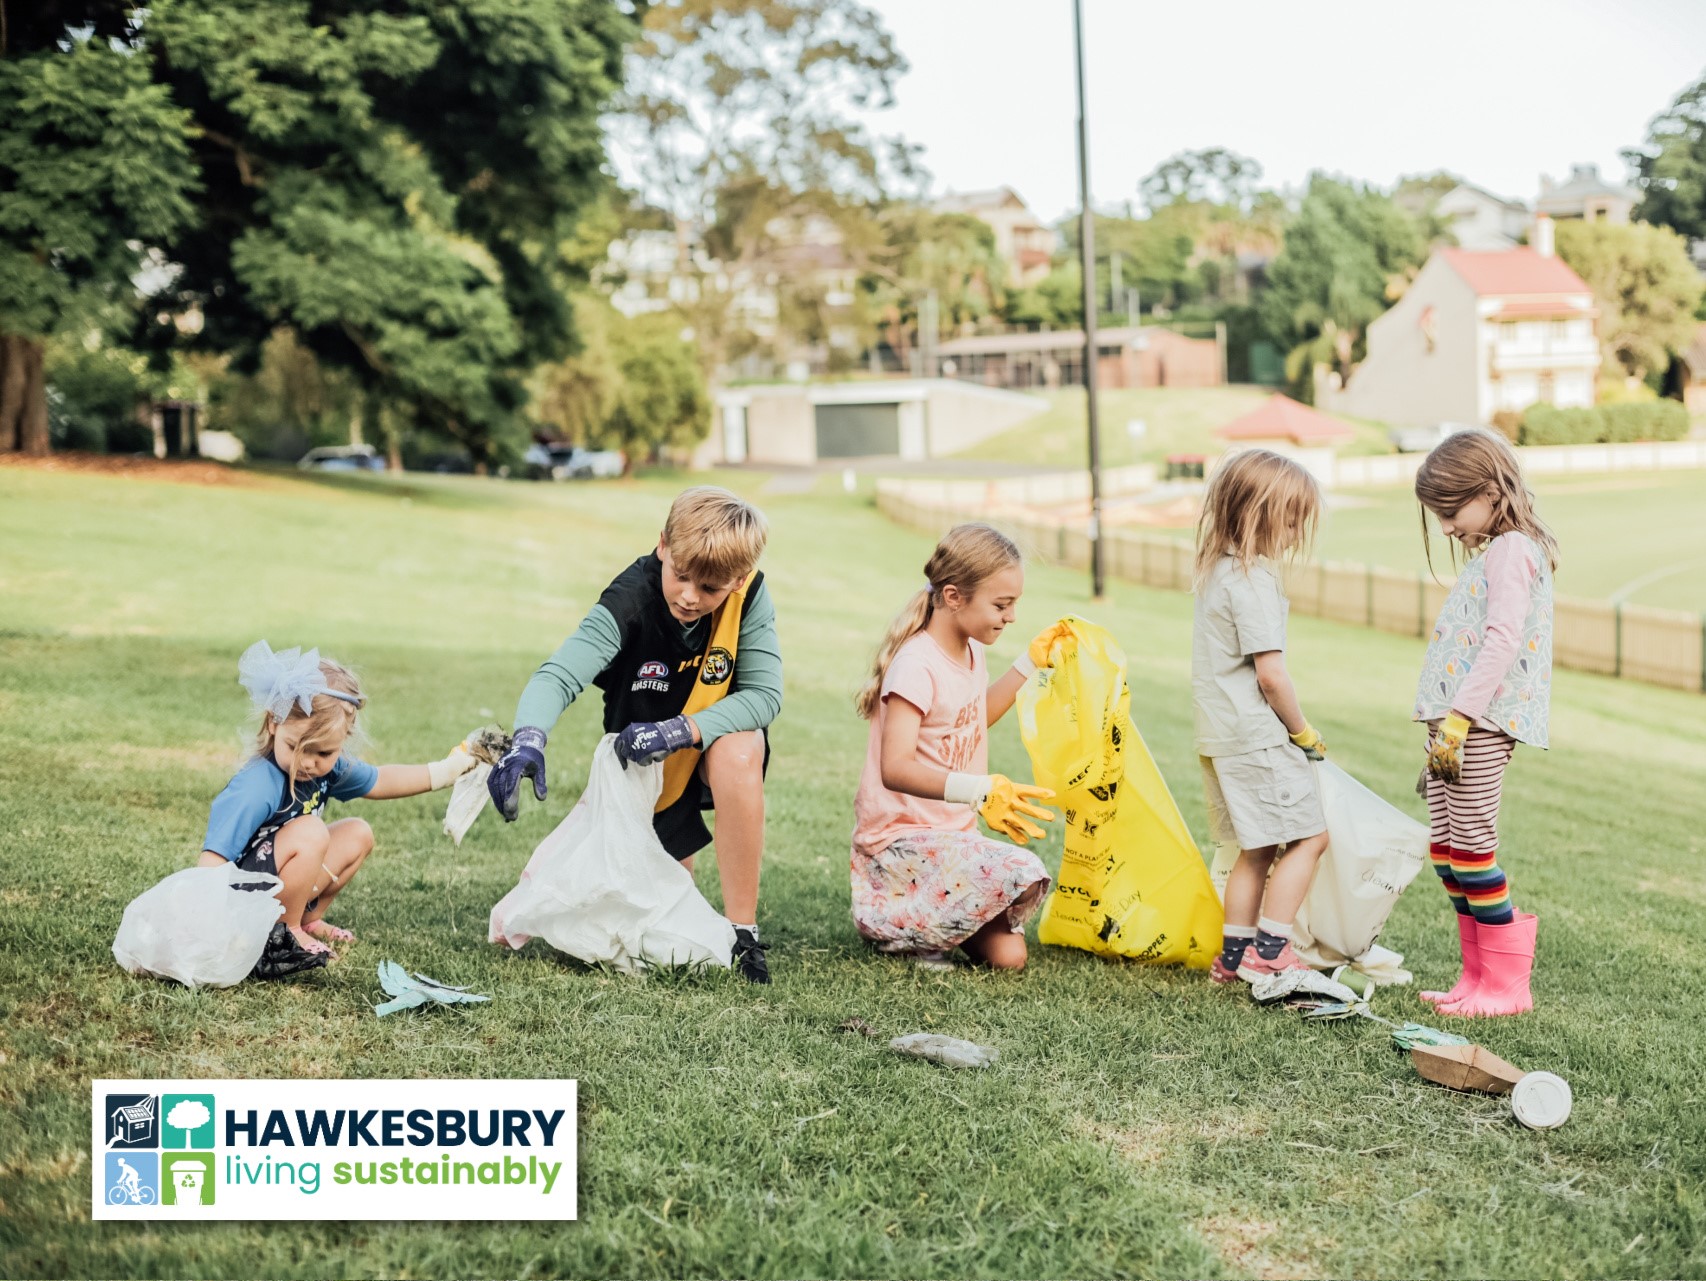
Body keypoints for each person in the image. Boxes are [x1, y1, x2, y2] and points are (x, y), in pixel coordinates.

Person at [488, 487, 783, 983]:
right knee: (655, 925)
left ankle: (743, 933)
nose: (690, 596)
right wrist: (529, 738)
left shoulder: (750, 595)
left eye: (709, 588)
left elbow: (765, 695)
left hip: (703, 744)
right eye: (682, 576)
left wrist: (682, 729)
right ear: (663, 546)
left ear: (737, 580)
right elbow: (558, 675)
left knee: (738, 749)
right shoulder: (630, 597)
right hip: (643, 767)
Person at [850, 523, 1061, 970]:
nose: (1011, 616)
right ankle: (901, 922)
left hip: (949, 841)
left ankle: (927, 928)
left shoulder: (972, 651)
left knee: (1009, 958)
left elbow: (969, 719)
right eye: (1001, 605)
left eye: (1014, 605)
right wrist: (978, 790)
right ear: (952, 597)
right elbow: (896, 767)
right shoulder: (915, 666)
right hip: (901, 844)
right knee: (1024, 871)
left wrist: (1028, 664)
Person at [197, 641, 479, 957]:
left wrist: (448, 770)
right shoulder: (257, 785)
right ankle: (284, 931)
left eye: (324, 753)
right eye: (296, 747)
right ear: (273, 723)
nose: (308, 762)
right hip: (243, 898)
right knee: (311, 831)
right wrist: (201, 922)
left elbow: (382, 780)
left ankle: (307, 919)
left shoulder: (327, 769)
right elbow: (215, 857)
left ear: (342, 740)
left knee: (358, 832)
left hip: (276, 882)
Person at [1412, 428, 1556, 1017]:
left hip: (1477, 724)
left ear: (1491, 490)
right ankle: (1476, 978)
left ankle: (1505, 986)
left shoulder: (1513, 549)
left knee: (1472, 846)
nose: (1446, 526)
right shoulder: (1491, 553)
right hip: (1453, 725)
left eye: (1451, 510)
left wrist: (1460, 719)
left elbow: (1500, 640)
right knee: (1446, 851)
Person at [1192, 449, 1331, 984]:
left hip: (1222, 736)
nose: (1297, 530)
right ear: (1258, 514)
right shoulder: (1253, 580)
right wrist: (1302, 731)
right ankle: (1271, 950)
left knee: (1255, 848)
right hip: (1257, 736)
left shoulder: (1217, 575)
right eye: (1292, 517)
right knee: (1310, 837)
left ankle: (1231, 960)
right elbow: (1270, 675)